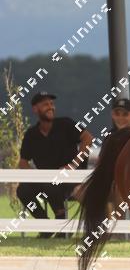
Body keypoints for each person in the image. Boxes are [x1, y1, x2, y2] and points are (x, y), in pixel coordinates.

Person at [17, 92, 93, 236]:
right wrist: (34, 175)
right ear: (35, 109)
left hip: (71, 179)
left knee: (50, 184)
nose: (50, 107)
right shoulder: (31, 134)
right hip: (45, 180)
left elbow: (88, 138)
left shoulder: (66, 123)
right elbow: (23, 162)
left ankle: (61, 223)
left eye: (52, 104)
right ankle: (45, 225)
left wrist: (73, 165)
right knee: (22, 190)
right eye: (45, 104)